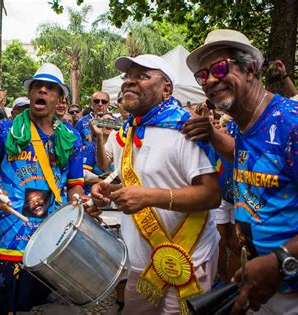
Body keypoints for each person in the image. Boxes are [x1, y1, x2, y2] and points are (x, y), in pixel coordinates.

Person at [186, 28, 298, 314]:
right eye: (203, 75)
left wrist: (279, 260)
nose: (210, 80)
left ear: (251, 70)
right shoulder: (237, 124)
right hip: (262, 285)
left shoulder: (295, 127)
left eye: (220, 68)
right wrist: (211, 133)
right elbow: (253, 156)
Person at [91, 54, 221, 314]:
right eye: (127, 77)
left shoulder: (186, 128)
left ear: (166, 89)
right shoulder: (129, 131)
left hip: (189, 261)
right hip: (141, 264)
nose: (129, 82)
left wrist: (148, 197)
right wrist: (108, 192)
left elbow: (211, 195)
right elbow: (139, 183)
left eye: (141, 76)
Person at [0, 63, 85, 314]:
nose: (42, 91)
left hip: (50, 239)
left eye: (50, 88)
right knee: (3, 307)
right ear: (31, 93)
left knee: (45, 306)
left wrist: (79, 202)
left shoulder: (71, 137)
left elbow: (75, 186)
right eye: (37, 87)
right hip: (8, 237)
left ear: (59, 99)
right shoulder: (4, 130)